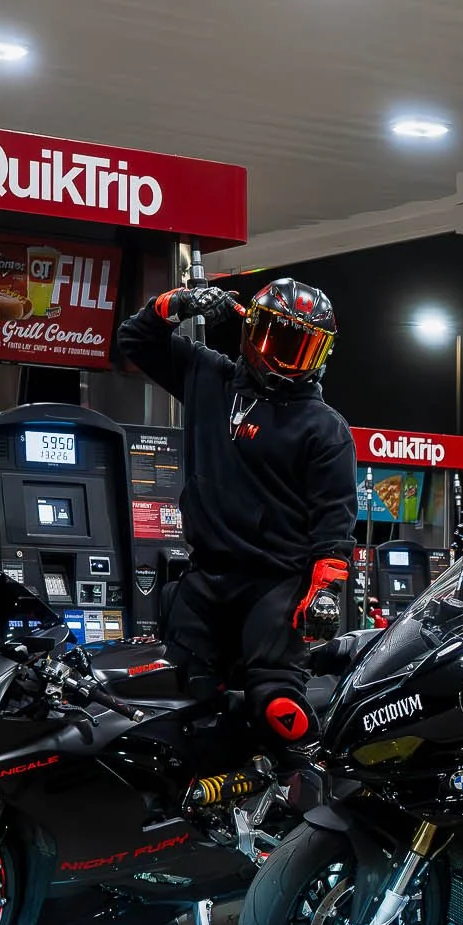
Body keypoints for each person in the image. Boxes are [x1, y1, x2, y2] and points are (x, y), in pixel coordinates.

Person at [114, 278, 356, 753]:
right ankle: (201, 812)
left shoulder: (325, 428)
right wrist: (178, 303)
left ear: (321, 355)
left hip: (276, 585)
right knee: (171, 695)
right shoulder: (210, 377)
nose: (284, 359)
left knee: (276, 703)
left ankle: (313, 795)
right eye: (276, 340)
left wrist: (323, 595)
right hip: (205, 578)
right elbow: (134, 340)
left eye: (300, 348)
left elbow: (335, 529)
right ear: (251, 332)